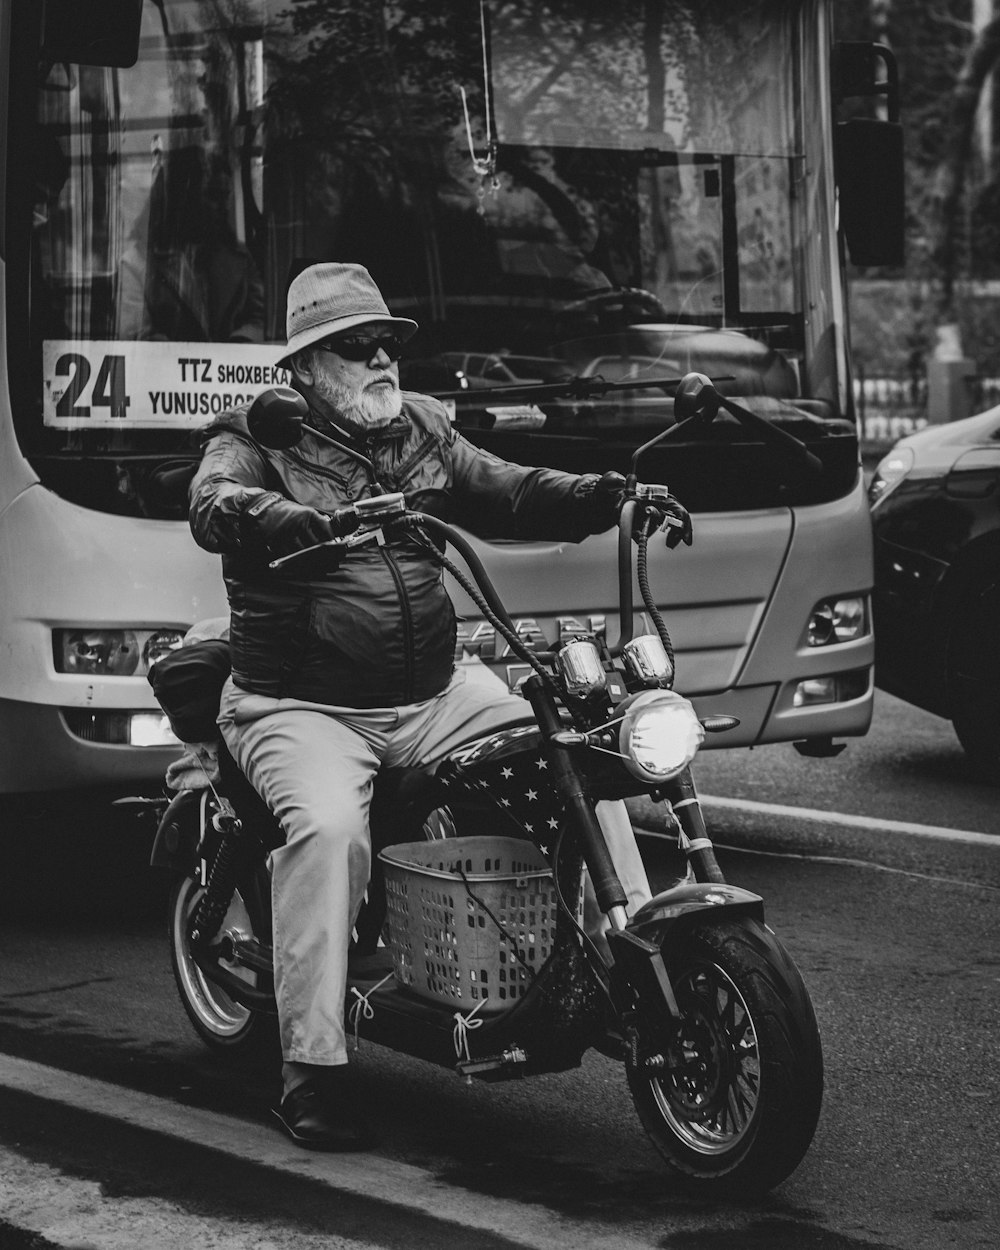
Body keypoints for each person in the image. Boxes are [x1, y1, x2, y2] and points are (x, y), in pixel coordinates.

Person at [188, 262, 692, 1150]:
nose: (383, 358)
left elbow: (509, 487)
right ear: (305, 366)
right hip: (301, 706)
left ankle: (638, 952)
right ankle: (312, 1066)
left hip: (433, 691)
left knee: (580, 746)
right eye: (358, 346)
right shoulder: (257, 434)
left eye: (389, 343)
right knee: (328, 833)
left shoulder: (419, 427)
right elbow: (212, 500)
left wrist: (609, 494)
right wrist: (275, 519)